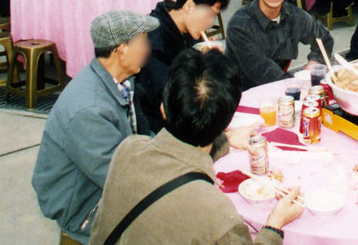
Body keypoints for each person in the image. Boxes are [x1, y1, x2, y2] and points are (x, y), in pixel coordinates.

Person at [90, 49, 303, 245]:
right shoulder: (215, 212)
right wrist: (274, 224)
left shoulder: (129, 149)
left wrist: (227, 140)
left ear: (163, 108)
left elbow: (180, 154)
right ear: (227, 121)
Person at [32, 10, 157, 243]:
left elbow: (140, 138)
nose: (148, 47)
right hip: (84, 211)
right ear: (121, 50)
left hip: (99, 188)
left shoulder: (119, 81)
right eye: (143, 41)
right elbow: (119, 179)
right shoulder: (90, 111)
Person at [137, 0, 230, 131]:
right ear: (189, 6)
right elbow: (170, 100)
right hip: (162, 127)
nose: (211, 24)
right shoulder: (153, 41)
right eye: (210, 15)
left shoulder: (184, 25)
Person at [225, 0, 335, 88]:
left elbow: (324, 39)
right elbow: (266, 74)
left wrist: (312, 66)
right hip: (241, 93)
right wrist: (299, 83)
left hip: (282, 89)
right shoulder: (240, 25)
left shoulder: (295, 16)